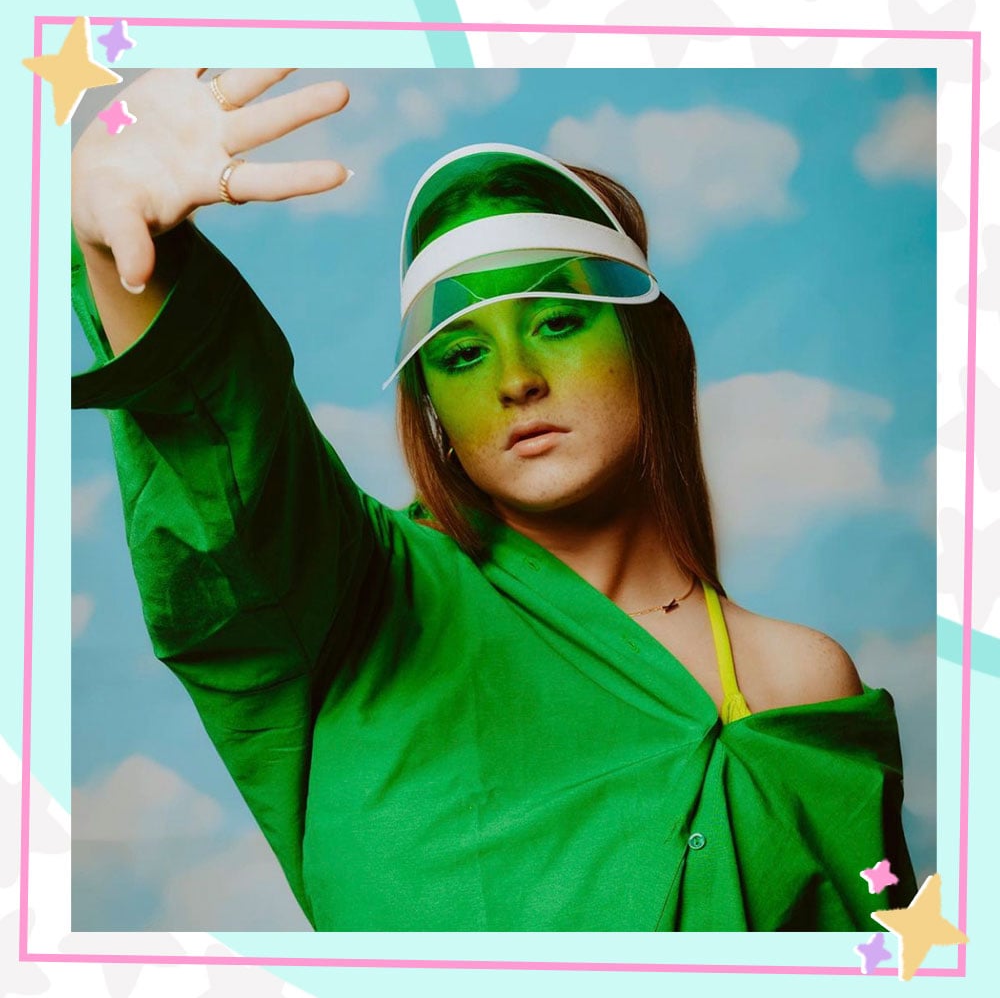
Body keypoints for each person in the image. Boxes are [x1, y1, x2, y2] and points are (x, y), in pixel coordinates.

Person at [71, 69, 915, 931]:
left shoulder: (796, 683)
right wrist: (118, 251)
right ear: (431, 407)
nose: (516, 379)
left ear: (648, 347)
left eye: (556, 320)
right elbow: (231, 454)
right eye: (463, 352)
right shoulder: (364, 599)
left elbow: (881, 963)